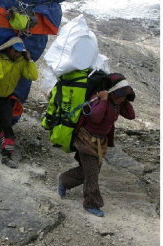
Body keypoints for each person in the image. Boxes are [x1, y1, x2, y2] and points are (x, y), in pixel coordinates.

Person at [58, 73, 135, 217]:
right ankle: (90, 203)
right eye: (119, 95)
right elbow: (96, 117)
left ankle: (64, 179)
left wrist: (125, 98)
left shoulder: (117, 103)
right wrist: (105, 99)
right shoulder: (97, 99)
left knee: (89, 171)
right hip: (86, 140)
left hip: (100, 143)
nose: (121, 99)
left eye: (123, 96)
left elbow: (131, 115)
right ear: (110, 92)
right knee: (92, 174)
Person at [0, 41, 38, 168]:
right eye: (15, 51)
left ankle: (7, 156)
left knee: (7, 125)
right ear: (8, 49)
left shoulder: (21, 63)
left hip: (6, 99)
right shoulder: (0, 60)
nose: (17, 54)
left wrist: (29, 59)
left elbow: (33, 75)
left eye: (20, 52)